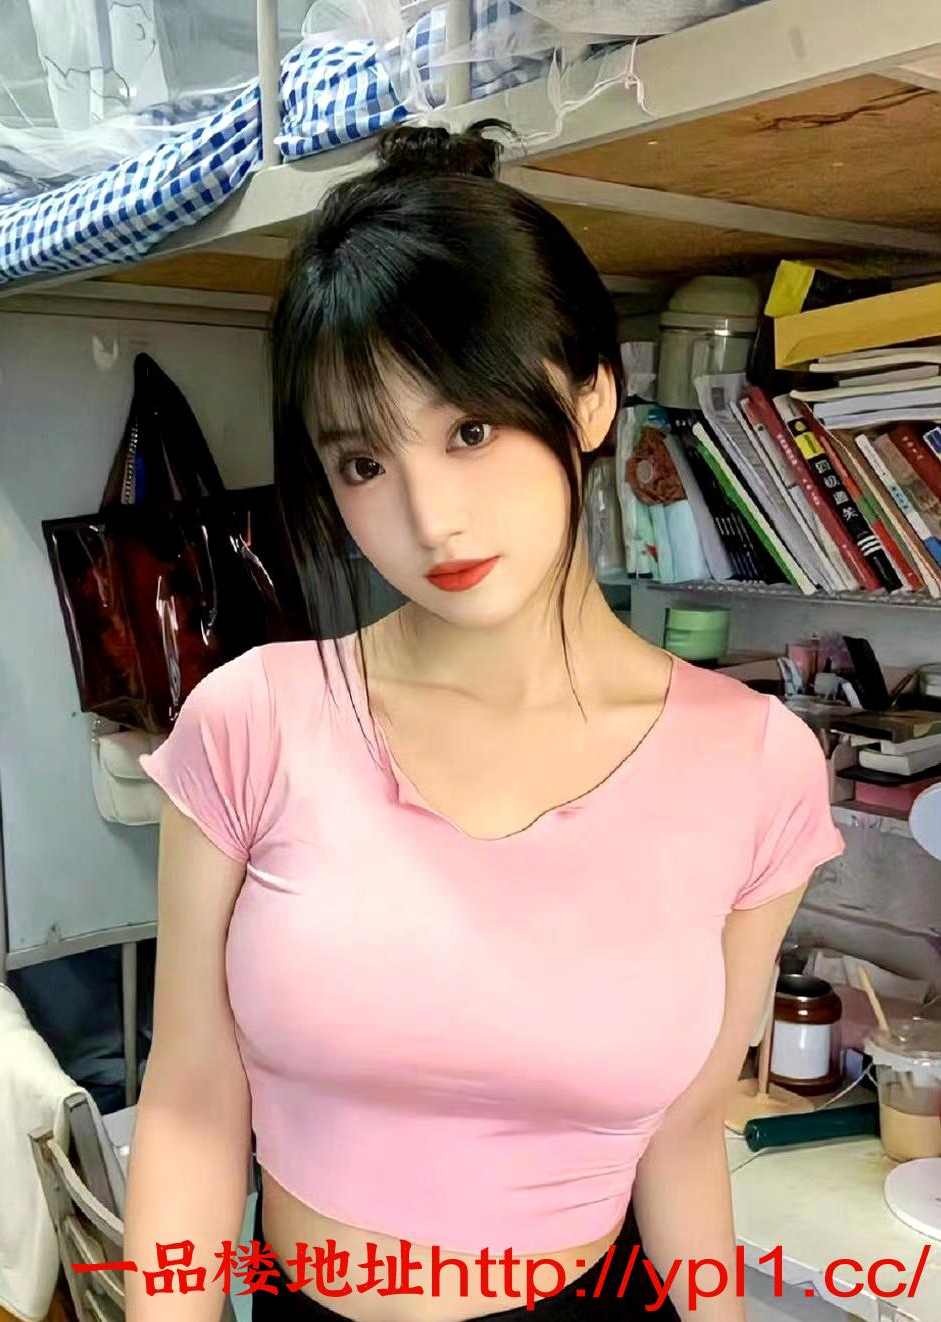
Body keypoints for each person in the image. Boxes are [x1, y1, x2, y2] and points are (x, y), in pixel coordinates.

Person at [124, 121, 844, 1321]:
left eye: (470, 429)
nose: (430, 516)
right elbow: (193, 1103)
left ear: (591, 395)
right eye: (362, 462)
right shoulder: (252, 721)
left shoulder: (755, 763)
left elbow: (680, 1141)